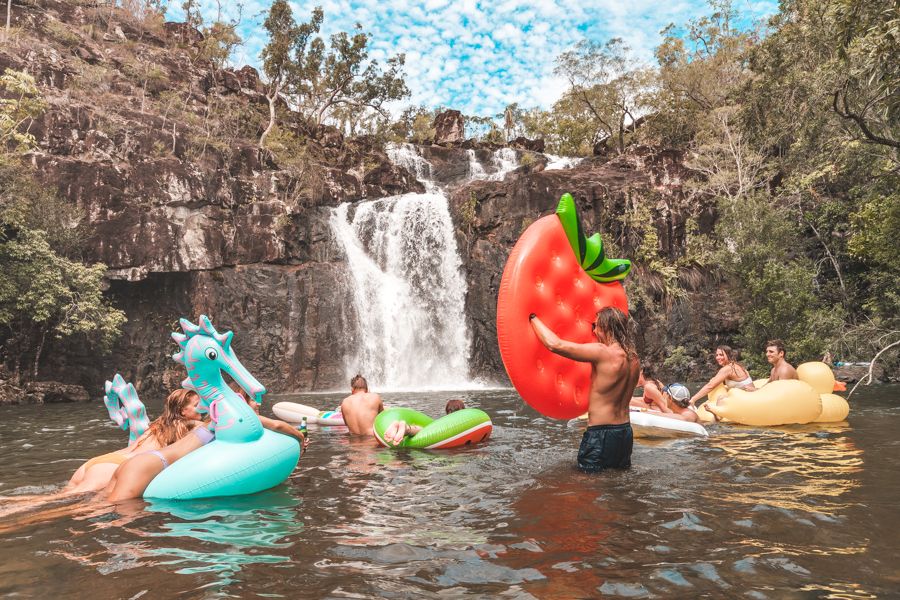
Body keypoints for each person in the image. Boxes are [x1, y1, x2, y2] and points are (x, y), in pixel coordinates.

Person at [530, 307, 641, 473]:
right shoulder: (634, 358)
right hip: (624, 432)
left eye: (595, 326)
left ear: (606, 326)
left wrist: (532, 317)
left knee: (587, 486)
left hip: (600, 434)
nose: (594, 331)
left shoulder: (602, 352)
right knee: (618, 481)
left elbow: (554, 344)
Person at [65, 389, 204, 494]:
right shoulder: (190, 424)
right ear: (182, 411)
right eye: (197, 405)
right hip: (114, 467)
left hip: (100, 461)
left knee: (61, 496)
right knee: (70, 505)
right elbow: (215, 424)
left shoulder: (157, 425)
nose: (203, 408)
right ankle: (42, 518)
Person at [229, 382, 310, 450]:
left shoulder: (227, 419)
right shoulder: (245, 418)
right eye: (253, 400)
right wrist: (300, 436)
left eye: (258, 400)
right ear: (241, 401)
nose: (259, 404)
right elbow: (277, 426)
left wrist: (300, 447)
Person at [688, 345, 756, 407]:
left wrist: (693, 399)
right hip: (749, 395)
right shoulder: (736, 365)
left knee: (721, 398)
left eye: (721, 355)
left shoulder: (727, 369)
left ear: (728, 355)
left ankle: (717, 417)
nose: (718, 357)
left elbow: (710, 386)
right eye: (717, 355)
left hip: (748, 399)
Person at [383, 399, 467, 444]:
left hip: (437, 428)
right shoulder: (464, 423)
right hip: (444, 435)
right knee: (428, 432)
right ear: (463, 411)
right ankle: (405, 428)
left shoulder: (442, 422)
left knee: (423, 430)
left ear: (447, 412)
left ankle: (406, 428)